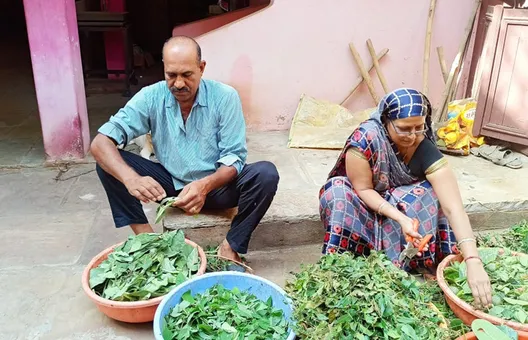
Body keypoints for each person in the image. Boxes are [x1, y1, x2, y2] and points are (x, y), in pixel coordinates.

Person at [91, 36, 279, 263]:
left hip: (217, 188)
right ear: (164, 70)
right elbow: (100, 143)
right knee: (108, 162)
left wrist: (203, 186)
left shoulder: (225, 97)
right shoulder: (151, 96)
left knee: (265, 174)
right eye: (171, 75)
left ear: (201, 68)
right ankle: (148, 240)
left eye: (187, 75)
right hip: (170, 185)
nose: (178, 84)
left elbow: (234, 158)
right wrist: (131, 179)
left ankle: (231, 246)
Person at [319, 88, 492, 308]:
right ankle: (344, 264)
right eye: (403, 129)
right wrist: (400, 218)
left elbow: (453, 208)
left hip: (400, 207)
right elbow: (363, 190)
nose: (412, 136)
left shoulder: (423, 146)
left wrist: (473, 260)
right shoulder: (365, 140)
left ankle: (411, 262)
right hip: (362, 204)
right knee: (337, 192)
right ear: (386, 121)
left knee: (430, 191)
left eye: (419, 127)